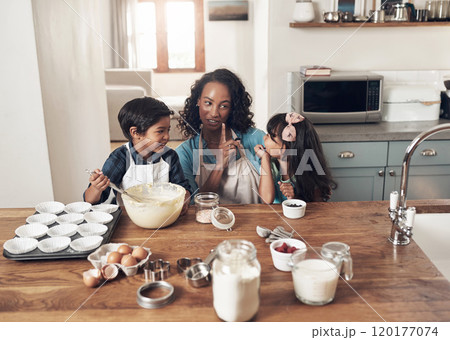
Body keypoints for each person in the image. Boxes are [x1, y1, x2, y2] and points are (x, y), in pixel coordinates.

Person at [84, 97, 192, 215]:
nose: (167, 136)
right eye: (160, 131)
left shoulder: (169, 156)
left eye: (168, 130)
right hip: (130, 219)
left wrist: (184, 200)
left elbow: (183, 188)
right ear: (135, 132)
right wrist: (96, 187)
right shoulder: (120, 158)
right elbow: (90, 201)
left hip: (163, 215)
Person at [176, 68, 265, 204]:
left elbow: (277, 192)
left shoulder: (254, 138)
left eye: (223, 106)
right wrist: (219, 165)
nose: (214, 113)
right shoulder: (185, 153)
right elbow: (194, 205)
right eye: (208, 103)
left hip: (254, 223)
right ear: (198, 101)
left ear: (233, 108)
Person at [254, 112, 336, 203]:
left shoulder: (309, 169)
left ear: (287, 146)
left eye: (272, 136)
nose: (265, 137)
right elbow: (266, 199)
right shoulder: (270, 165)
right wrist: (265, 158)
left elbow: (316, 204)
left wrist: (294, 198)